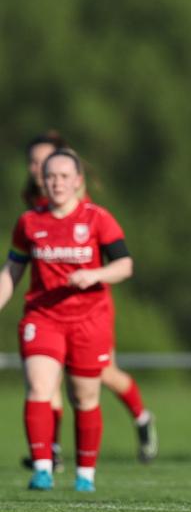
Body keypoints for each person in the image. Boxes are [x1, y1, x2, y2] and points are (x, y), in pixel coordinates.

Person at [18, 132, 157, 470]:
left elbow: (114, 257)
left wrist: (93, 275)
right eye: (34, 163)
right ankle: (50, 453)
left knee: (103, 375)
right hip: (48, 312)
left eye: (43, 161)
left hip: (89, 308)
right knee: (44, 379)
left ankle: (142, 417)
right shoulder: (33, 204)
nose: (37, 169)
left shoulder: (83, 207)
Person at [0, 148, 134, 492]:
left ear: (77, 181)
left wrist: (96, 274)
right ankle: (42, 468)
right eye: (50, 177)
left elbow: (124, 265)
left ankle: (85, 475)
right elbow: (12, 270)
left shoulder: (97, 218)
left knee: (83, 397)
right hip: (43, 317)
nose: (57, 183)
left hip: (89, 319)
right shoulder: (29, 222)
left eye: (63, 176)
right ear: (42, 182)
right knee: (39, 386)